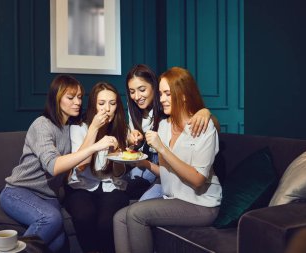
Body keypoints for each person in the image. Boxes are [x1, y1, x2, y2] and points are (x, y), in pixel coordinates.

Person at [0, 75, 117, 253]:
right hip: (19, 191)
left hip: (48, 196)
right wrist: (96, 146)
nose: (77, 102)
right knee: (51, 218)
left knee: (59, 243)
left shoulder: (68, 128)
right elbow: (53, 166)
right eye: (70, 98)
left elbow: (81, 161)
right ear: (56, 98)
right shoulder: (42, 125)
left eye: (79, 97)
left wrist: (93, 129)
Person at [113, 67, 222, 253]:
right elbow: (165, 173)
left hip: (201, 203)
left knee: (136, 214)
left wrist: (162, 148)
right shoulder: (163, 125)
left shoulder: (203, 126)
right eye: (161, 93)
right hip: (173, 197)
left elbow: (197, 180)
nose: (161, 98)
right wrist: (143, 163)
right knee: (119, 218)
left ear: (184, 95)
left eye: (167, 94)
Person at [124, 64, 220, 200]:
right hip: (151, 159)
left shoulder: (167, 105)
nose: (137, 96)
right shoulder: (133, 107)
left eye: (142, 89)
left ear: (154, 86)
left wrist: (205, 113)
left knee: (138, 200)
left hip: (166, 161)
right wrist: (132, 139)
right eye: (132, 91)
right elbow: (135, 137)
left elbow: (211, 125)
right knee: (124, 186)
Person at [64, 82, 130, 253]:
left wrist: (116, 152)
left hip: (112, 186)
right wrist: (93, 128)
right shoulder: (78, 128)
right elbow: (80, 166)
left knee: (106, 222)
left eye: (112, 103)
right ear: (94, 104)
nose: (107, 109)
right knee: (84, 216)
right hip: (82, 186)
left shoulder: (122, 129)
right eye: (101, 103)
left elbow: (119, 172)